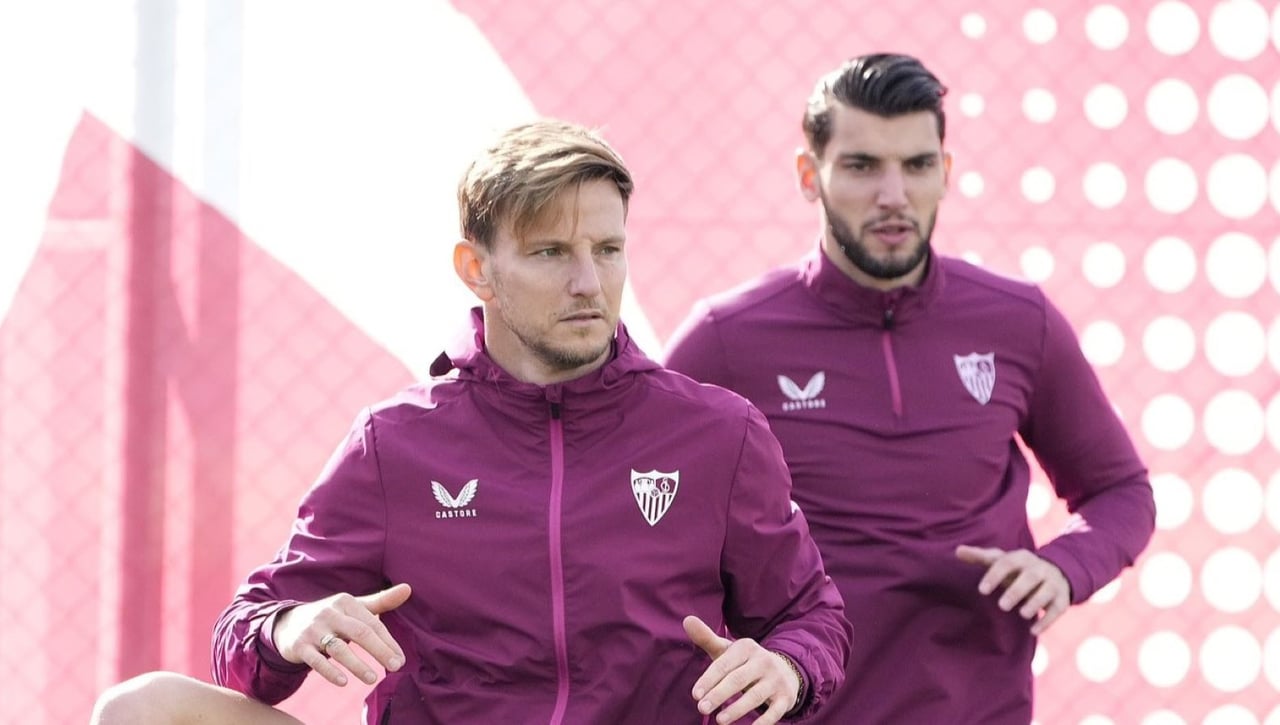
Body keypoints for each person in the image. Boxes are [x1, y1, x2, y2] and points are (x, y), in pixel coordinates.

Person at [91, 119, 851, 725]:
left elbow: (811, 614)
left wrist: (783, 664)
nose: (589, 281)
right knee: (141, 710)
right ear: (475, 267)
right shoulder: (395, 444)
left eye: (608, 249)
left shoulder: (718, 433)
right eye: (552, 251)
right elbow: (244, 634)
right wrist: (294, 626)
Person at [663, 53, 1155, 724]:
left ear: (945, 174)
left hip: (981, 708)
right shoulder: (726, 338)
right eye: (863, 166)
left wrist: (1067, 566)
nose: (893, 195)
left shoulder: (1018, 321)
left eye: (918, 165)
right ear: (811, 176)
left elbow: (1121, 489)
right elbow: (639, 522)